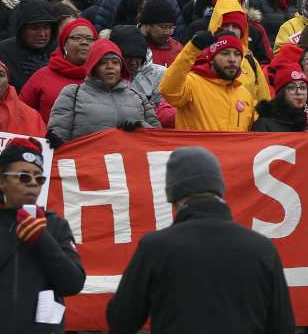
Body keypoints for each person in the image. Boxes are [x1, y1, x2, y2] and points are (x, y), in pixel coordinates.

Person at [106, 147, 294, 333]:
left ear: (173, 196)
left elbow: (121, 320)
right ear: (219, 189)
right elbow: (283, 326)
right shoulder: (262, 249)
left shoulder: (156, 248)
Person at [0, 137, 85, 334]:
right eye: (24, 177)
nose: (33, 183)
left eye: (39, 178)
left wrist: (42, 239)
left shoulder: (55, 226)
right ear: (1, 181)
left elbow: (73, 283)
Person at [46, 40, 161, 144]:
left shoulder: (139, 97)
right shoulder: (72, 94)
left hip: (131, 165)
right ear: (93, 67)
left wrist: (141, 126)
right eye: (103, 62)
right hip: (88, 165)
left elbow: (159, 138)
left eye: (115, 62)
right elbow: (58, 138)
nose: (110, 67)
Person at [160, 30, 259, 131]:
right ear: (211, 59)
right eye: (225, 53)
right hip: (197, 146)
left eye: (237, 54)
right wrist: (192, 49)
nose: (232, 59)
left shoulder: (244, 94)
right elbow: (168, 90)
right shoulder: (192, 83)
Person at [20, 19, 98, 121]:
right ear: (64, 44)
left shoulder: (102, 76)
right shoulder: (42, 76)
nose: (84, 42)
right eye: (77, 38)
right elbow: (20, 112)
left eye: (89, 39)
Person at [0, 0, 58, 92]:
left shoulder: (58, 52)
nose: (42, 34)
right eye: (34, 28)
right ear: (21, 29)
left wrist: (47, 72)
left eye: (46, 28)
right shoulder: (0, 53)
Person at [252, 67, 308, 132]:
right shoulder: (264, 124)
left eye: (303, 87)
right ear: (281, 93)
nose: (299, 92)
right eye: (292, 87)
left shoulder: (304, 122)